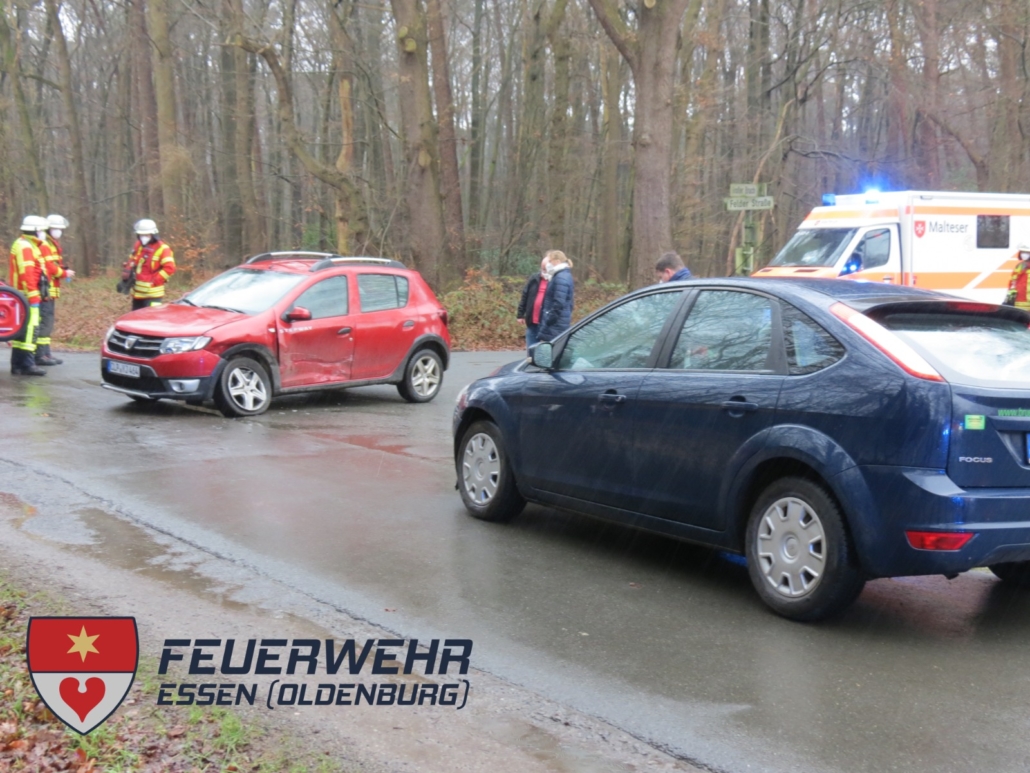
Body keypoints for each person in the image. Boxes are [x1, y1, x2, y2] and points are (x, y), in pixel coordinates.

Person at [7, 216, 49, 376]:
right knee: (31, 329)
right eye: (42, 230)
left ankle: (18, 364)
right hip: (27, 295)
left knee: (23, 331)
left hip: (22, 295)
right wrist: (33, 297)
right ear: (36, 231)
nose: (44, 233)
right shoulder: (26, 246)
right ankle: (27, 364)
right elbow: (27, 274)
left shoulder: (25, 244)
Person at [35, 214, 75, 366]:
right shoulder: (46, 244)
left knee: (48, 322)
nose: (58, 231)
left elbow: (54, 264)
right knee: (45, 321)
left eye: (60, 229)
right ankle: (40, 355)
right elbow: (50, 267)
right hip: (45, 289)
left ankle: (46, 353)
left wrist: (62, 269)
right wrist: (64, 273)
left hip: (49, 289)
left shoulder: (51, 243)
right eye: (55, 228)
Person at [124, 219, 175, 310]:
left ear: (153, 234)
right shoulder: (138, 246)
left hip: (153, 294)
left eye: (146, 235)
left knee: (151, 318)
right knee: (136, 318)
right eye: (141, 235)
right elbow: (132, 260)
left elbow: (170, 268)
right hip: (138, 294)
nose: (143, 237)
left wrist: (155, 281)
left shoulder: (163, 248)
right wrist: (127, 276)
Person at [536, 250, 574, 343]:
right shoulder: (562, 275)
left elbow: (559, 303)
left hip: (556, 325)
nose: (548, 264)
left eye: (550, 261)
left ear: (557, 261)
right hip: (558, 323)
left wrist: (549, 319)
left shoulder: (561, 277)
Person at [517, 256, 550, 352]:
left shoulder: (554, 281)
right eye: (542, 268)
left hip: (546, 323)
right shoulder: (534, 278)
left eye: (545, 269)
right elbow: (525, 295)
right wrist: (520, 314)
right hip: (532, 321)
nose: (543, 271)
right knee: (531, 351)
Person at [1004, 243, 1030, 311]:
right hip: (1021, 299)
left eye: (1026, 252)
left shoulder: (1022, 266)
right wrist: (1010, 293)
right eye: (1022, 252)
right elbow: (1013, 281)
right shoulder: (1020, 266)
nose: (1023, 254)